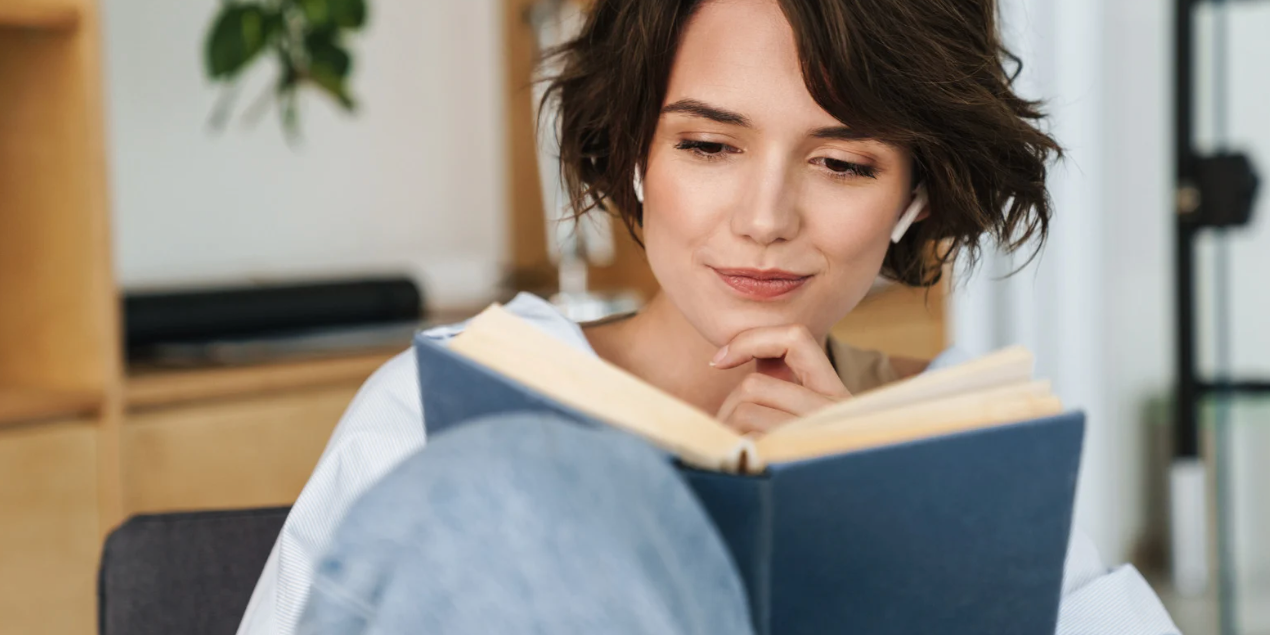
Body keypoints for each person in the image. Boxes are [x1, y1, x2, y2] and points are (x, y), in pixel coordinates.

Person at [236, 0, 1182, 633]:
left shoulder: (954, 450)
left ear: (918, 192)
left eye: (842, 163)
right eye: (708, 143)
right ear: (636, 153)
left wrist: (877, 541)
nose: (764, 220)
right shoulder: (433, 413)